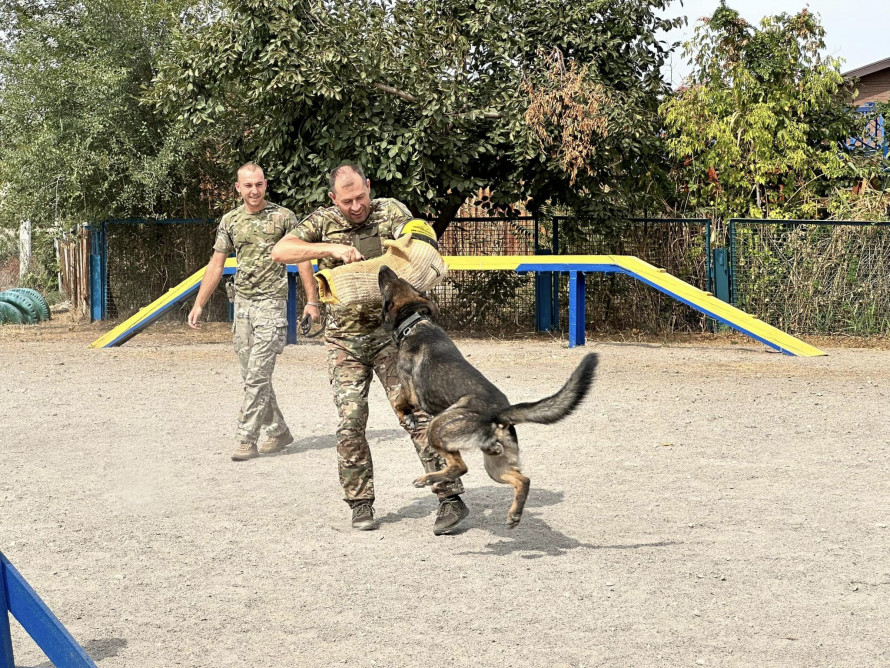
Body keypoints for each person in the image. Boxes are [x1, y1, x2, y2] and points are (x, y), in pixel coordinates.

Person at [270, 163, 470, 535]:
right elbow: (282, 251)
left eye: (361, 196)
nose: (357, 205)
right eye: (347, 201)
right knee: (350, 421)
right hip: (344, 342)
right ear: (333, 198)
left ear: (369, 187)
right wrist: (331, 248)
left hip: (391, 339)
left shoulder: (389, 210)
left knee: (416, 416)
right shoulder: (322, 221)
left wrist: (418, 239)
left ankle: (450, 497)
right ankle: (360, 504)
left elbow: (414, 234)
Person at [188, 162, 318, 462]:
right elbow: (217, 263)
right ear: (238, 188)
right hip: (242, 307)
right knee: (251, 376)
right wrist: (199, 303)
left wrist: (312, 301)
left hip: (272, 305)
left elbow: (302, 259)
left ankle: (246, 439)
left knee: (258, 375)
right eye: (248, 185)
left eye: (258, 184)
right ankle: (278, 430)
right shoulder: (230, 221)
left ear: (265, 184)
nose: (254, 190)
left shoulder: (284, 218)